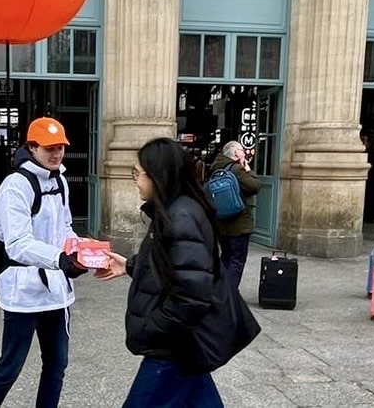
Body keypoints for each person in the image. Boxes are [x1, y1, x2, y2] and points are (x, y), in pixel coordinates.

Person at [96, 137, 226, 408]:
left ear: (158, 174)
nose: (134, 180)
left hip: (172, 348)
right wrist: (130, 265)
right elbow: (176, 266)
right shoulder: (174, 211)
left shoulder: (180, 216)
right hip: (182, 344)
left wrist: (153, 328)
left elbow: (192, 294)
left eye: (137, 173)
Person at [0, 116, 85, 408]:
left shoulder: (60, 180)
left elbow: (65, 227)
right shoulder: (15, 186)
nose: (56, 153)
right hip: (23, 292)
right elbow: (17, 244)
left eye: (60, 146)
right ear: (32, 147)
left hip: (57, 292)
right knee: (10, 367)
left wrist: (81, 251)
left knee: (57, 365)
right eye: (49, 147)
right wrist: (60, 259)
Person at [208, 140, 261, 290]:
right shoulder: (236, 169)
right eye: (242, 150)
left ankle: (219, 289)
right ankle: (228, 294)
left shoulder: (215, 168)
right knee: (236, 260)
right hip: (238, 223)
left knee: (226, 257)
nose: (244, 153)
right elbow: (254, 186)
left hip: (221, 221)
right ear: (236, 153)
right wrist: (248, 171)